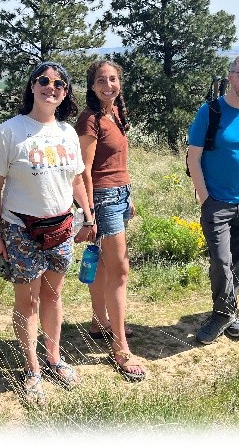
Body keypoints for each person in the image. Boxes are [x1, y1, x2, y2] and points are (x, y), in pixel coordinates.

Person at [0, 61, 93, 405]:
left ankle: (54, 358)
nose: (51, 87)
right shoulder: (10, 131)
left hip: (61, 227)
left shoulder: (68, 133)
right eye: (44, 81)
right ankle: (32, 371)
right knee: (26, 301)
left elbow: (76, 179)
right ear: (32, 86)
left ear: (65, 93)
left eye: (59, 84)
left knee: (53, 296)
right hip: (20, 230)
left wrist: (88, 214)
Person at [186, 54, 239, 344]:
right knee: (221, 262)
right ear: (230, 76)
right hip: (217, 203)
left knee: (236, 260)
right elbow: (193, 157)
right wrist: (205, 198)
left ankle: (227, 313)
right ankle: (222, 315)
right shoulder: (210, 112)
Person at [74, 59, 146, 381]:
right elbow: (84, 171)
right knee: (120, 270)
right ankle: (120, 348)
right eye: (101, 80)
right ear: (92, 86)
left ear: (120, 83)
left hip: (120, 194)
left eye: (113, 79)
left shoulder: (115, 113)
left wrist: (128, 197)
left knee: (104, 264)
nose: (108, 85)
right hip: (102, 199)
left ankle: (100, 321)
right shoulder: (90, 119)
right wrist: (89, 213)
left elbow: (117, 160)